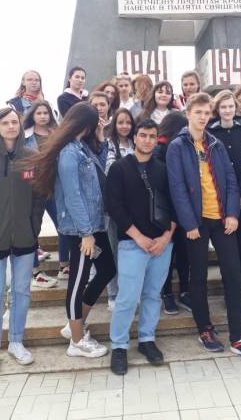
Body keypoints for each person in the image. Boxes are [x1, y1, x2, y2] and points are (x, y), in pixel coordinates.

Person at [166, 92, 241, 362]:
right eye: (198, 113)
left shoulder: (216, 144)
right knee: (198, 277)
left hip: (221, 219)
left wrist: (232, 213)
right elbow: (177, 188)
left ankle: (238, 336)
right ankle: (205, 329)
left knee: (233, 275)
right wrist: (189, 223)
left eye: (207, 113)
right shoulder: (177, 146)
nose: (203, 117)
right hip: (196, 223)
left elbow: (231, 180)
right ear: (188, 114)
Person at [32, 102, 116, 358]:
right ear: (85, 122)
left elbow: (99, 171)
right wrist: (85, 233)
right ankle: (77, 342)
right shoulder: (69, 152)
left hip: (94, 223)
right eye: (96, 121)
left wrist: (100, 139)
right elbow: (72, 194)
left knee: (108, 269)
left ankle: (74, 325)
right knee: (78, 281)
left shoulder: (82, 147)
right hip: (81, 229)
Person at [0, 108, 45, 374]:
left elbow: (39, 197)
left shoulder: (32, 158)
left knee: (21, 291)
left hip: (24, 238)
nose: (11, 126)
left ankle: (16, 342)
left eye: (15, 122)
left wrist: (33, 228)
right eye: (5, 122)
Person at [106, 119, 176, 375]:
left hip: (161, 245)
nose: (147, 140)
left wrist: (166, 238)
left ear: (157, 140)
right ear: (134, 138)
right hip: (132, 244)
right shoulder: (119, 168)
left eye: (152, 136)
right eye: (143, 135)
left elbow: (175, 205)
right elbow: (114, 207)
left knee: (152, 295)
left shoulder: (163, 169)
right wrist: (138, 237)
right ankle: (119, 346)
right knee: (127, 298)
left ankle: (147, 339)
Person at [209, 90, 241, 310]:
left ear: (236, 108)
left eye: (230, 106)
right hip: (218, 201)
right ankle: (230, 291)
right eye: (223, 107)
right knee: (226, 250)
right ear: (217, 109)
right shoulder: (210, 133)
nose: (227, 110)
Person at [23, 100, 69, 287]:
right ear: (32, 115)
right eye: (39, 113)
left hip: (54, 188)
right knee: (32, 230)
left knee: (64, 226)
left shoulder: (57, 134)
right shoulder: (25, 136)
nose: (43, 116)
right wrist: (29, 180)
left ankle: (64, 266)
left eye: (46, 113)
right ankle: (36, 272)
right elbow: (21, 164)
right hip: (33, 190)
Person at [153, 111, 191, 315]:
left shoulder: (183, 146)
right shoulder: (160, 148)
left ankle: (183, 291)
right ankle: (167, 293)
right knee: (168, 253)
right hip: (167, 210)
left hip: (181, 209)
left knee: (183, 252)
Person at [104, 108, 136, 311]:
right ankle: (113, 294)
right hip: (114, 208)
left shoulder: (136, 143)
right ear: (114, 125)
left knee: (132, 253)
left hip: (135, 207)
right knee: (114, 251)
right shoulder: (107, 145)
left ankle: (130, 292)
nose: (125, 126)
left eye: (128, 122)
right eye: (120, 122)